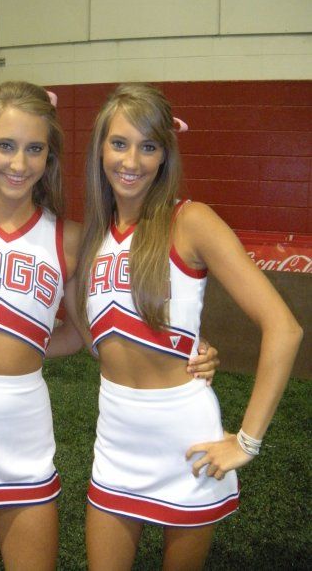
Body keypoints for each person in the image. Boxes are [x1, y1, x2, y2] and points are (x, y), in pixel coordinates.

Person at [0, 80, 219, 570]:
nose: (18, 163)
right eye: (5, 145)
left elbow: (93, 331)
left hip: (22, 426)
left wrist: (188, 350)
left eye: (34, 149)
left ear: (49, 157)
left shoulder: (70, 239)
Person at [67, 83, 302, 570]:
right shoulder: (93, 234)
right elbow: (98, 336)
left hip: (186, 440)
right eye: (119, 143)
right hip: (114, 438)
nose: (132, 160)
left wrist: (246, 442)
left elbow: (285, 327)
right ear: (99, 149)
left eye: (148, 146)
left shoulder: (191, 221)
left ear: (164, 155)